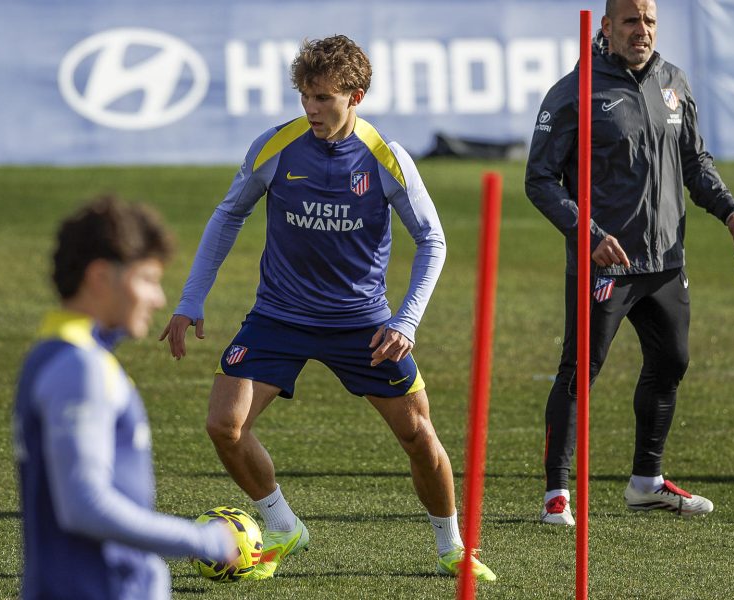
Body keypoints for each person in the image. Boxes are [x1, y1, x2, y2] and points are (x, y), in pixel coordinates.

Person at [160, 35, 495, 581]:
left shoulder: (386, 158)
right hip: (279, 316)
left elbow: (432, 240)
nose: (311, 109)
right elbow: (227, 217)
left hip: (362, 325)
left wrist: (405, 320)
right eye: (304, 97)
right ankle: (283, 526)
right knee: (225, 425)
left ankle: (452, 547)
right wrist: (191, 298)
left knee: (418, 437)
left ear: (355, 96)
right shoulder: (275, 147)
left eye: (323, 98)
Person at [526, 0, 734, 526]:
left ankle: (646, 483)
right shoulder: (574, 92)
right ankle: (556, 494)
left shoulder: (674, 80)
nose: (642, 31)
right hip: (605, 263)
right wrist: (588, 236)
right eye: (631, 21)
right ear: (606, 28)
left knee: (672, 362)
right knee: (579, 373)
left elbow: (694, 161)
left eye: (650, 20)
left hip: (665, 262)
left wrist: (730, 212)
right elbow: (538, 179)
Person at [12, 196, 235, 599]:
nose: (159, 298)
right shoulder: (80, 369)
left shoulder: (49, 354)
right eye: (147, 279)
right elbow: (83, 503)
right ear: (100, 277)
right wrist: (203, 541)